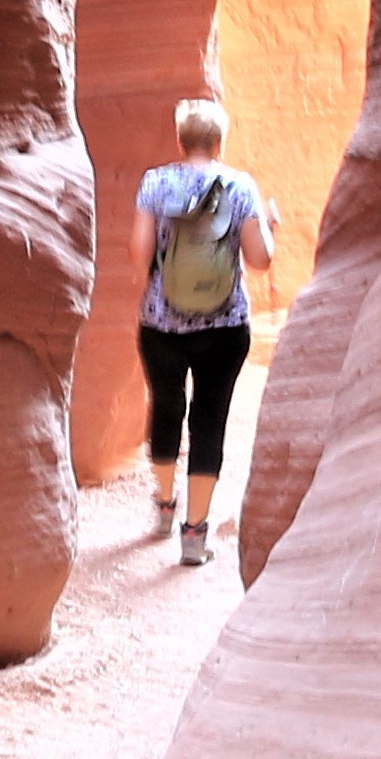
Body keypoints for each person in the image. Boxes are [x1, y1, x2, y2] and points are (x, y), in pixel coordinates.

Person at [133, 95, 279, 563]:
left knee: (166, 408)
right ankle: (194, 535)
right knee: (209, 420)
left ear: (181, 140)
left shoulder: (155, 183)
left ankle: (162, 505)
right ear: (218, 142)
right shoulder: (239, 187)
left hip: (161, 323)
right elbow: (260, 260)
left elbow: (138, 255)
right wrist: (268, 224)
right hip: (225, 325)